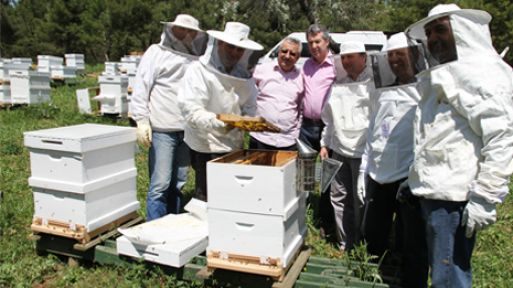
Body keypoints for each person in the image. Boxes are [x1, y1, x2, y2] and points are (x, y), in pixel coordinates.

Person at [404, 4, 513, 286]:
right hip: (437, 191)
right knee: (443, 271)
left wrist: (485, 197)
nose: (433, 38)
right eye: (429, 33)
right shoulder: (449, 72)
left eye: (441, 29)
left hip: (454, 198)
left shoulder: (480, 74)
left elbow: (502, 137)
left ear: (463, 32)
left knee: (449, 275)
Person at [360, 32, 428, 287]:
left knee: (410, 238)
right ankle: (371, 273)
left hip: (409, 176)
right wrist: (365, 166)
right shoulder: (383, 90)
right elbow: (374, 129)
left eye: (401, 54)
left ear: (415, 55)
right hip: (380, 171)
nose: (396, 60)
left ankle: (407, 278)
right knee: (372, 231)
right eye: (392, 56)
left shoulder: (426, 88)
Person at [130, 14, 207, 221]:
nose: (185, 34)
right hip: (162, 130)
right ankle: (153, 230)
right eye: (181, 30)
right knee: (160, 184)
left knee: (179, 183)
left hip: (186, 131)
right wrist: (142, 120)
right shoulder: (156, 53)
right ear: (172, 30)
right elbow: (141, 87)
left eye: (191, 31)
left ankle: (171, 226)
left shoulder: (196, 59)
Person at [178, 22, 263, 201]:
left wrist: (248, 120)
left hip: (233, 144)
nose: (234, 53)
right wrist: (224, 122)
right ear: (219, 44)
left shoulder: (244, 77)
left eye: (239, 49)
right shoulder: (198, 71)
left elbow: (250, 106)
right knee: (206, 194)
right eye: (231, 47)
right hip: (205, 143)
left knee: (230, 195)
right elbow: (192, 111)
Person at [319, 41, 374, 251]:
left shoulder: (373, 84)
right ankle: (345, 242)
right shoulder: (338, 86)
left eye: (351, 56)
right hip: (339, 149)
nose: (347, 61)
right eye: (344, 57)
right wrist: (325, 143)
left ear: (363, 57)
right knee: (338, 195)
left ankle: (361, 244)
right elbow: (330, 120)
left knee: (360, 199)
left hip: (363, 152)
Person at [301, 24, 337, 238]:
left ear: (327, 42)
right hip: (305, 126)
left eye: (317, 42)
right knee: (304, 173)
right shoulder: (306, 65)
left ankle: (325, 220)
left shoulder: (336, 65)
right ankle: (300, 213)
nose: (314, 46)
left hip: (327, 127)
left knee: (327, 175)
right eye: (310, 42)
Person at [249, 37, 303, 151]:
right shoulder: (261, 70)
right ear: (278, 52)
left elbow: (301, 108)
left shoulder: (301, 77)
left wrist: (296, 133)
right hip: (260, 137)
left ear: (298, 58)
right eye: (284, 51)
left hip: (288, 141)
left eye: (292, 54)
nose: (287, 56)